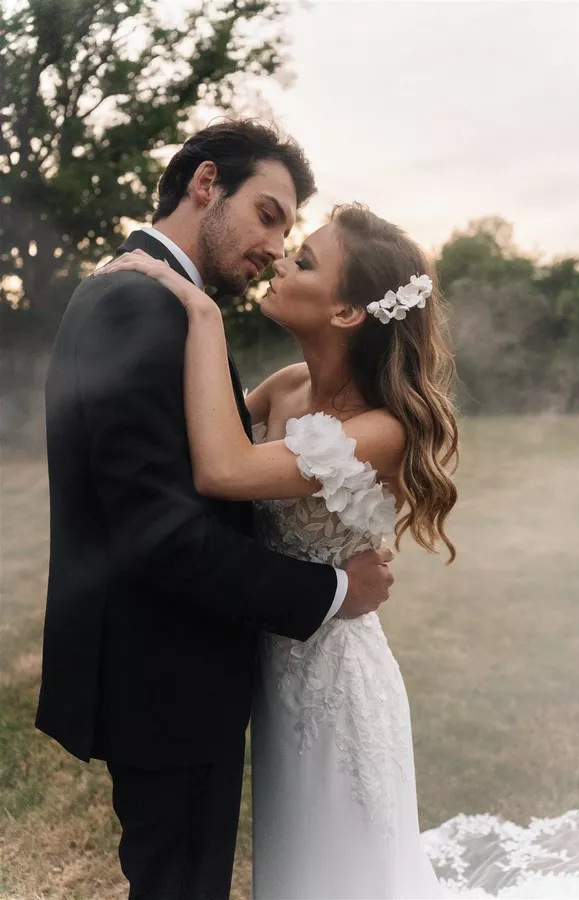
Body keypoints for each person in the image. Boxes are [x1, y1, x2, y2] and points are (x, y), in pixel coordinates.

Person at [35, 120, 395, 900]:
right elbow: (162, 536)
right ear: (206, 186)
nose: (275, 246)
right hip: (167, 672)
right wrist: (337, 591)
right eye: (269, 215)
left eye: (293, 234)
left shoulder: (164, 301)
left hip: (178, 666)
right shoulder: (143, 303)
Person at [96, 201, 459, 898]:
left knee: (342, 867)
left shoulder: (381, 431)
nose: (282, 258)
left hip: (338, 684)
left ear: (348, 312)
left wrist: (200, 312)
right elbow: (193, 434)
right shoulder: (289, 387)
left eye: (307, 260)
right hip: (269, 671)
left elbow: (224, 470)